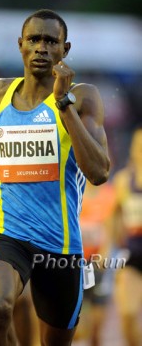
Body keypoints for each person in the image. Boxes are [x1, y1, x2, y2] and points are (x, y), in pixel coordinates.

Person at [0, 9, 110, 346]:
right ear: (20, 45)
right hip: (5, 232)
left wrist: (63, 104)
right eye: (34, 40)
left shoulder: (83, 98)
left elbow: (99, 172)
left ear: (64, 50)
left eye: (50, 41)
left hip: (60, 244)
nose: (41, 47)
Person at [73, 180, 116, 346]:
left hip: (97, 262)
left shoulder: (108, 195)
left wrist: (102, 259)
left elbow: (110, 230)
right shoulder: (73, 192)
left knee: (96, 327)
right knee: (78, 328)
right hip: (75, 262)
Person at [112, 127, 142, 346]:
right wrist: (116, 242)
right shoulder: (123, 180)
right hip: (133, 254)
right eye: (138, 145)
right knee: (128, 314)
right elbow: (113, 215)